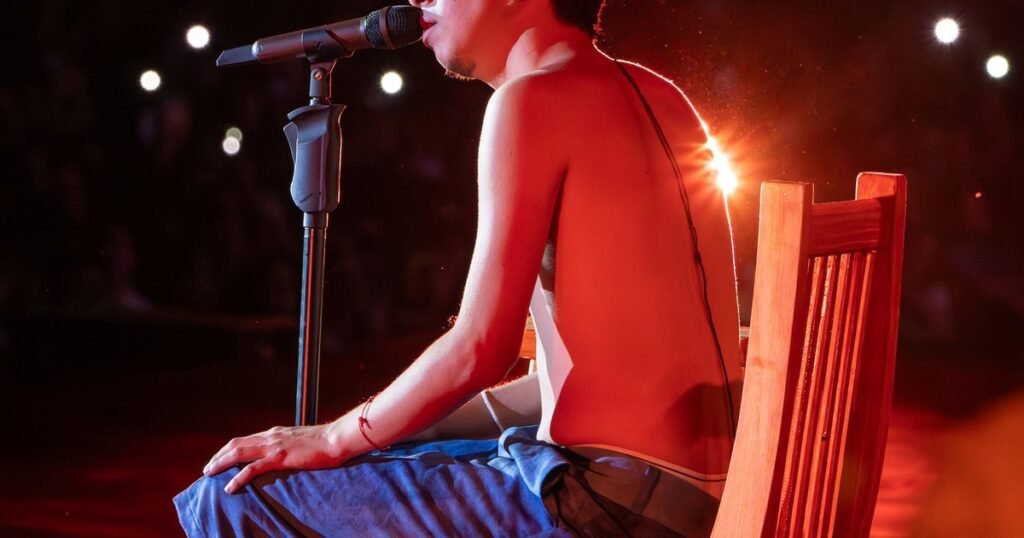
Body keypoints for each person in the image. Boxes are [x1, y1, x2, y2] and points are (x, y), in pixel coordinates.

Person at [174, 0, 743, 535]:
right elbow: (582, 380)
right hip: (687, 497)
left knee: (230, 497)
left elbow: (480, 349)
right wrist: (386, 431)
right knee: (383, 451)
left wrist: (334, 438)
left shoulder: (532, 100)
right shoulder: (663, 96)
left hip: (605, 502)